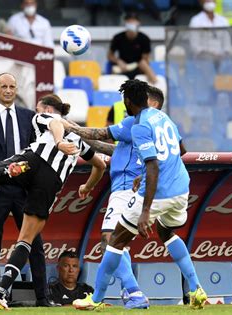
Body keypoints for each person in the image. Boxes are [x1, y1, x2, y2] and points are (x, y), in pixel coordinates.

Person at [0, 93, 106, 310]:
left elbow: (54, 122)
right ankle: (0, 293)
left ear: (45, 109)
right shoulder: (79, 140)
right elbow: (100, 166)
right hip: (50, 181)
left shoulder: (42, 118)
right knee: (25, 240)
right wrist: (88, 186)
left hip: (33, 161)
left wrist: (57, 142)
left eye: (39, 109)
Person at [72, 80, 207, 311]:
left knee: (115, 241)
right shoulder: (163, 117)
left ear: (127, 101)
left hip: (157, 192)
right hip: (181, 188)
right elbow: (181, 150)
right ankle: (196, 289)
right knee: (167, 232)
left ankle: (95, 300)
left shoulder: (139, 126)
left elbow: (152, 166)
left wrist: (145, 211)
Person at [62, 86, 165, 309]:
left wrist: (68, 126)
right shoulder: (157, 125)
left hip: (126, 187)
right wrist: (77, 134)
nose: (128, 104)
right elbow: (112, 148)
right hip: (130, 187)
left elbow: (100, 134)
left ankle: (131, 292)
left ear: (153, 103)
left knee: (110, 240)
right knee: (117, 243)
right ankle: (128, 292)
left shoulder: (137, 122)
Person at [0, 73, 51, 307]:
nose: (8, 90)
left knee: (34, 243)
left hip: (23, 190)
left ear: (16, 89)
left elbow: (37, 153)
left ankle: (43, 298)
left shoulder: (29, 117)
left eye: (12, 86)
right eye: (3, 86)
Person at [107, 12, 157, 84]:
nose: (131, 23)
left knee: (143, 64)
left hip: (138, 67)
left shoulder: (144, 38)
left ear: (138, 23)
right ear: (125, 23)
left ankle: (155, 84)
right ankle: (112, 92)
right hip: (122, 67)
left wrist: (138, 65)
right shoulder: (118, 37)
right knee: (113, 70)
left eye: (133, 21)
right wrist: (119, 61)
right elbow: (110, 55)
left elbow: (146, 59)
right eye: (129, 21)